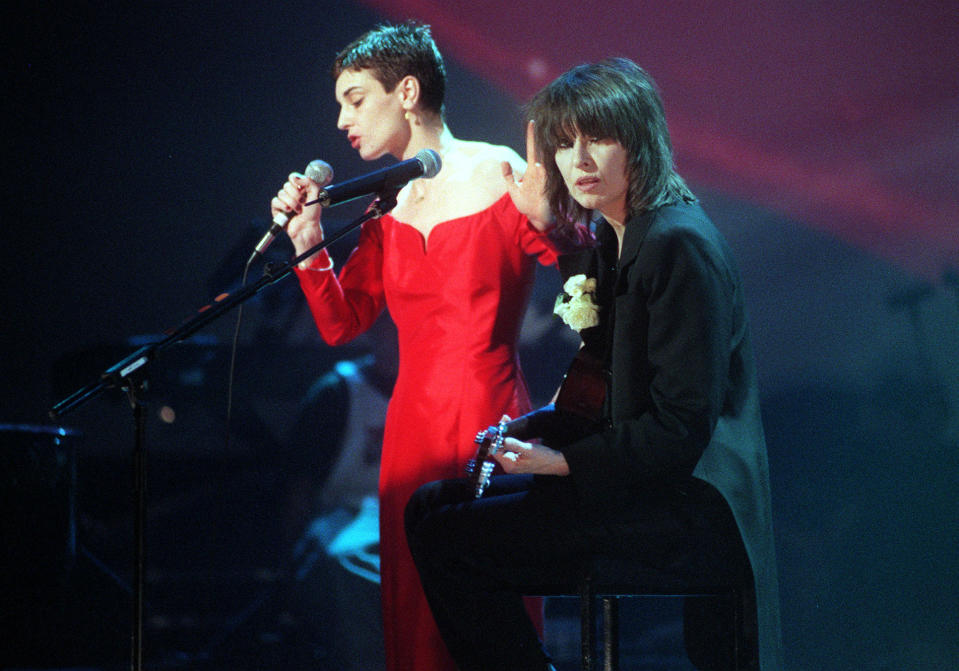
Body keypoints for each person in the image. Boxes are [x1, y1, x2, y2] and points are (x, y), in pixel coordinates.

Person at [405, 58, 783, 670]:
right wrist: (536, 428)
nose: (577, 161)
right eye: (562, 143)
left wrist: (559, 463)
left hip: (692, 507)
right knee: (429, 507)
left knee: (451, 539)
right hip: (643, 486)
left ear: (639, 140)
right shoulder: (619, 232)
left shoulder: (677, 243)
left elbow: (681, 426)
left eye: (597, 139)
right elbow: (603, 364)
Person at [270, 22, 585, 671]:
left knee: (484, 612)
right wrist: (308, 241)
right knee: (414, 621)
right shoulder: (386, 204)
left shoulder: (499, 169)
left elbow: (574, 262)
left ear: (406, 90)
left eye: (354, 98)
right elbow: (342, 322)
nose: (340, 120)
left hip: (488, 416)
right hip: (407, 432)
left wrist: (549, 209)